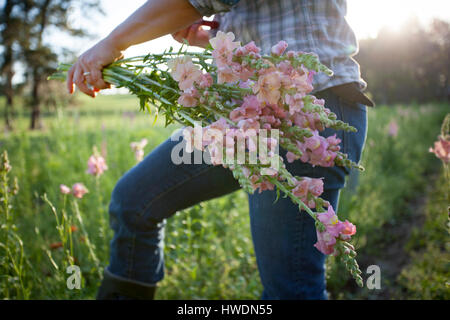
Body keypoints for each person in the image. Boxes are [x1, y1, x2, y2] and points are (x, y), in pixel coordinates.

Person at [67, 0, 373, 300]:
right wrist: (214, 40)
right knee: (134, 201)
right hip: (245, 116)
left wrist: (113, 43)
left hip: (307, 108)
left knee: (290, 289)